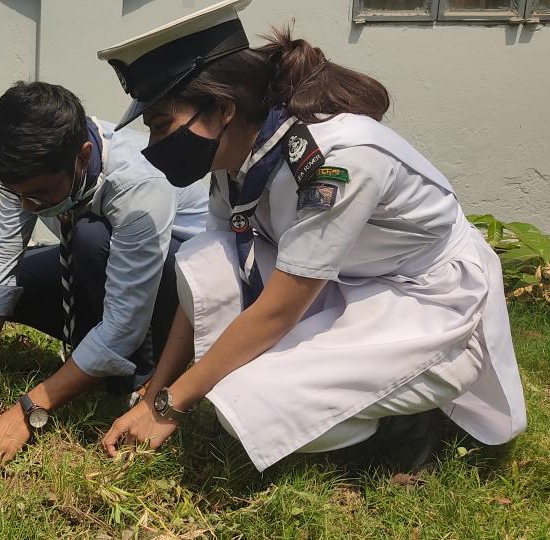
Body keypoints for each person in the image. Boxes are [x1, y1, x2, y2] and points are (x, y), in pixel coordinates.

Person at [95, 0, 526, 473]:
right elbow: (203, 281)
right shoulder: (234, 158)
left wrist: (170, 407)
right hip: (348, 282)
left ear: (222, 108)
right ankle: (323, 389)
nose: (155, 147)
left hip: (427, 300)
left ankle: (404, 425)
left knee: (247, 406)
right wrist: (157, 393)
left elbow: (280, 310)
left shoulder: (338, 160)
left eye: (162, 126)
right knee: (202, 258)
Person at [0, 81, 209, 470]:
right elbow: (3, 260)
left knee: (91, 236)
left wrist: (29, 409)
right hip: (103, 265)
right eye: (18, 194)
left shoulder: (138, 180)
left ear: (83, 156)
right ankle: (90, 360)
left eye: (39, 194)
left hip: (176, 287)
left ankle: (137, 377)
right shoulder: (29, 167)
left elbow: (125, 323)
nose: (28, 205)